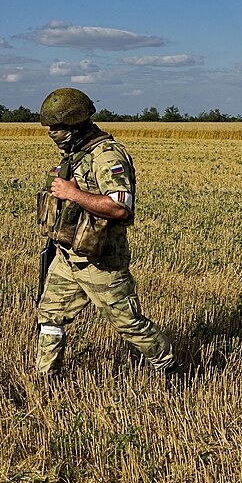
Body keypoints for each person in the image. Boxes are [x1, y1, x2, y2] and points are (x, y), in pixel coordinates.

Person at [35, 87, 174, 377]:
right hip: (68, 256)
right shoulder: (75, 154)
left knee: (128, 323)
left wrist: (72, 193)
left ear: (75, 124)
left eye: (57, 127)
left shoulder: (108, 157)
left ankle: (172, 368)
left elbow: (120, 208)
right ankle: (45, 377)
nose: (52, 133)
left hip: (101, 261)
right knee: (49, 315)